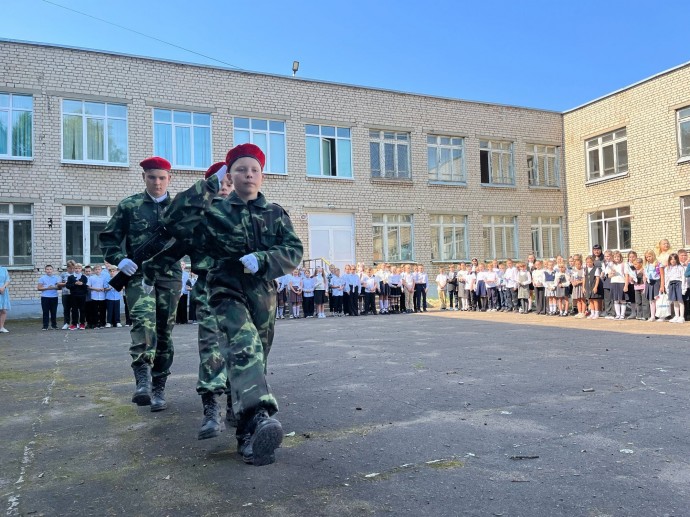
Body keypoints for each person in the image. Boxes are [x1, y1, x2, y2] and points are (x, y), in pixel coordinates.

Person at [160, 143, 303, 466]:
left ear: (262, 176)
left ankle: (247, 435)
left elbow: (293, 250)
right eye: (240, 169)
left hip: (262, 294)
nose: (248, 174)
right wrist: (210, 185)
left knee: (255, 361)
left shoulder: (275, 213)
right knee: (245, 347)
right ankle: (258, 417)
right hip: (225, 290)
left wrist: (265, 260)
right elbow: (174, 218)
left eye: (254, 169)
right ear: (230, 174)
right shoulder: (214, 212)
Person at [142, 161, 237, 439]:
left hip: (240, 290)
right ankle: (211, 411)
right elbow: (173, 246)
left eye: (229, 183)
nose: (226, 187)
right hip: (209, 288)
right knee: (210, 347)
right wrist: (149, 272)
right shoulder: (196, 220)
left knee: (239, 349)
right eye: (221, 183)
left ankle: (235, 404)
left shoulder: (244, 214)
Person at [99, 156, 182, 411]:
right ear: (143, 177)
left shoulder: (179, 209)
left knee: (164, 332)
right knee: (143, 322)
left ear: (170, 178)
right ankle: (142, 380)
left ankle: (159, 387)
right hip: (137, 276)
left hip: (170, 276)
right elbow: (108, 239)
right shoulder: (130, 206)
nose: (157, 182)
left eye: (162, 177)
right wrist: (119, 260)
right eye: (152, 177)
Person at [37, 265, 60, 330]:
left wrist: (54, 287)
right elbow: (39, 288)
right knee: (45, 312)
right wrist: (47, 288)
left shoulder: (56, 278)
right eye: (47, 269)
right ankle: (45, 326)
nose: (49, 271)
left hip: (54, 297)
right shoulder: (42, 278)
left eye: (50, 269)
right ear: (45, 270)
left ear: (52, 270)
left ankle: (54, 325)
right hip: (45, 297)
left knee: (53, 312)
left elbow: (59, 287)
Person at [66, 264, 88, 329]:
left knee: (82, 310)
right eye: (76, 268)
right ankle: (74, 324)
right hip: (73, 296)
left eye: (79, 268)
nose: (77, 270)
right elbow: (68, 286)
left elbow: (86, 287)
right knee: (74, 310)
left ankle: (82, 323)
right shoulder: (71, 277)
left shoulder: (84, 277)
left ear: (81, 269)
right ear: (74, 269)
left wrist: (82, 284)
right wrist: (74, 284)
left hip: (82, 296)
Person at [665, 253, 685, 323]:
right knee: (674, 301)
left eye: (674, 259)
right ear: (669, 260)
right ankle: (676, 316)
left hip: (679, 283)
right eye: (671, 259)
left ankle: (681, 317)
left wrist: (683, 287)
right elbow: (667, 278)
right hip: (671, 284)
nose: (673, 261)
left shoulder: (680, 267)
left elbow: (683, 277)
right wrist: (666, 287)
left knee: (680, 301)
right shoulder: (668, 268)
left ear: (677, 260)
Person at [643, 250, 661, 322]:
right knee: (651, 300)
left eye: (650, 256)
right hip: (649, 283)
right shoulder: (646, 265)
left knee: (657, 299)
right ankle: (652, 315)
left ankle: (659, 315)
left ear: (653, 256)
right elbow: (645, 275)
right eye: (647, 257)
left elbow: (661, 274)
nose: (648, 258)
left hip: (656, 282)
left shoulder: (658, 264)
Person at [57, 261, 75, 330]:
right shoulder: (63, 274)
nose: (72, 270)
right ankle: (66, 323)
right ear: (67, 268)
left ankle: (75, 323)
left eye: (73, 268)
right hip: (65, 294)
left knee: (74, 309)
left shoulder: (76, 274)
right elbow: (59, 284)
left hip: (74, 294)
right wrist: (67, 283)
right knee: (66, 309)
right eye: (70, 268)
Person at [0, 264, 9, 333]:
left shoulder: (4, 269)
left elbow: (7, 280)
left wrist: (3, 287)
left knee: (3, 310)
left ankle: (1, 327)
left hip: (3, 291)